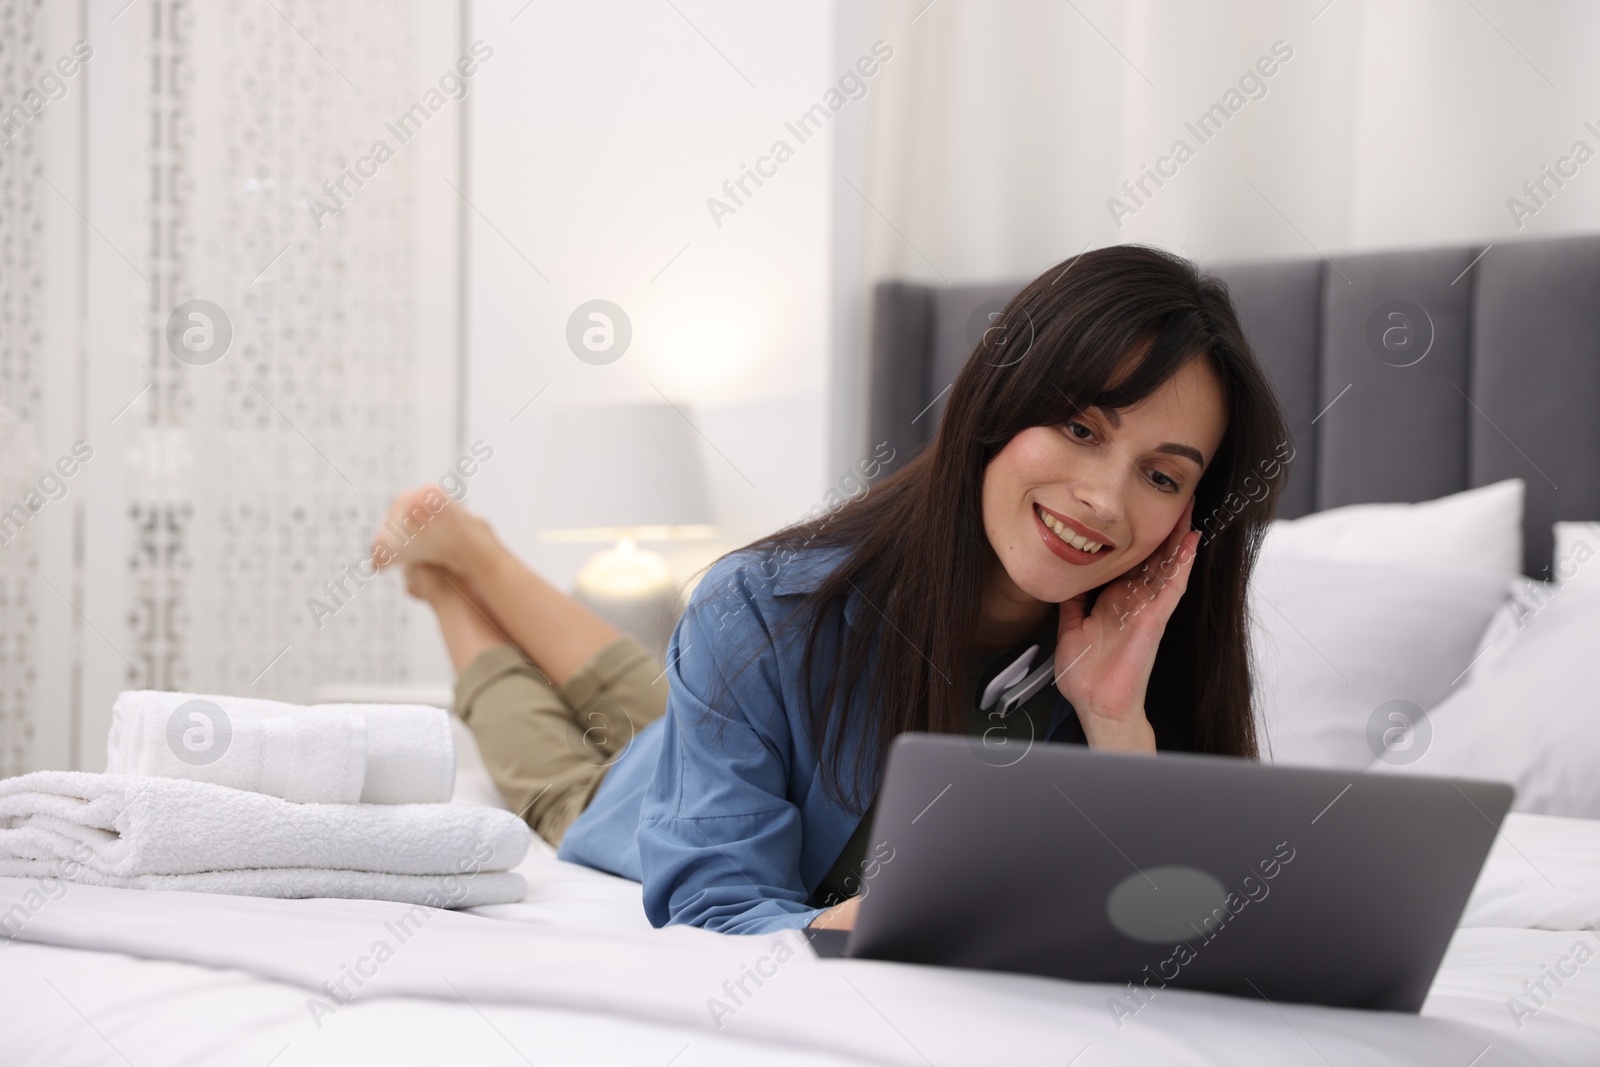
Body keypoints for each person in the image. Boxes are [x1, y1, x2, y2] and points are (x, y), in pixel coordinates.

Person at [374, 244, 1291, 937]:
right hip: (640, 791)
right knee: (573, 772)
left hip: (744, 715)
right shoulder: (765, 606)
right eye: (1081, 427)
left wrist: (1117, 723)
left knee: (652, 699)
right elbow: (717, 906)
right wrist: (907, 917)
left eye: (1163, 477)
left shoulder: (1145, 659)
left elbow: (1182, 931)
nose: (1104, 498)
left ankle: (469, 555)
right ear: (999, 403)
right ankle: (457, 582)